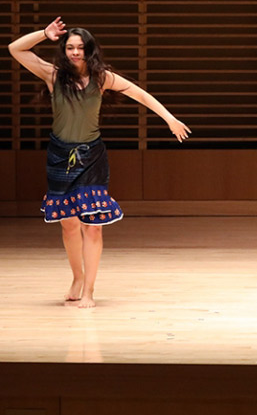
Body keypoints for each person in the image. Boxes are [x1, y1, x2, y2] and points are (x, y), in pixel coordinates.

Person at [8, 17, 191, 308]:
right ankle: (77, 278)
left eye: (80, 47)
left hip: (92, 157)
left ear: (89, 50)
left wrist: (169, 119)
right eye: (70, 47)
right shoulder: (53, 75)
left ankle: (89, 291)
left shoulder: (102, 78)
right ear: (64, 50)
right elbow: (15, 49)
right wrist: (45, 33)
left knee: (92, 225)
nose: (75, 52)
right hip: (60, 157)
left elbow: (140, 94)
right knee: (69, 225)